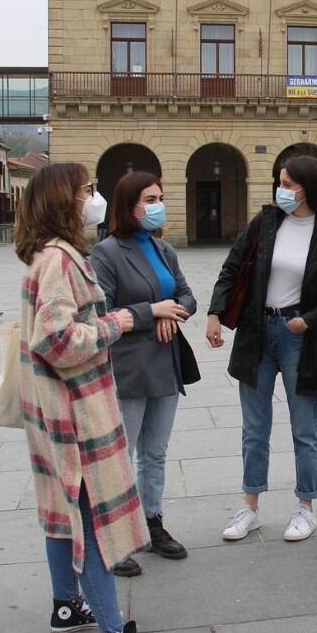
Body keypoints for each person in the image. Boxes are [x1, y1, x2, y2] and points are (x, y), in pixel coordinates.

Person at [14, 162, 166, 633]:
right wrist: (115, 323)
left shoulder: (45, 256)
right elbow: (55, 339)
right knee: (94, 518)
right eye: (86, 191)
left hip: (53, 412)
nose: (92, 199)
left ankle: (65, 604)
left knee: (61, 509)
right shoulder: (60, 260)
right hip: (76, 411)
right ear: (64, 201)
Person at [205, 155, 317, 543]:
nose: (281, 190)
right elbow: (233, 265)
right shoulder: (268, 220)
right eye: (280, 182)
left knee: (304, 429)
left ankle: (306, 507)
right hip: (258, 330)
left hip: (300, 335)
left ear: (308, 187)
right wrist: (215, 311)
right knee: (255, 428)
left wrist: (310, 319)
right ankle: (249, 507)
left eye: (288, 184)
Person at [91, 172, 196, 576]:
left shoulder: (164, 248)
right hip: (129, 367)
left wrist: (175, 311)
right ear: (128, 205)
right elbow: (101, 312)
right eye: (150, 199)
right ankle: (116, 539)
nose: (158, 206)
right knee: (122, 455)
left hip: (165, 365)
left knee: (156, 453)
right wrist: (153, 313)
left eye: (160, 198)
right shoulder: (106, 253)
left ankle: (153, 523)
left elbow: (186, 295)